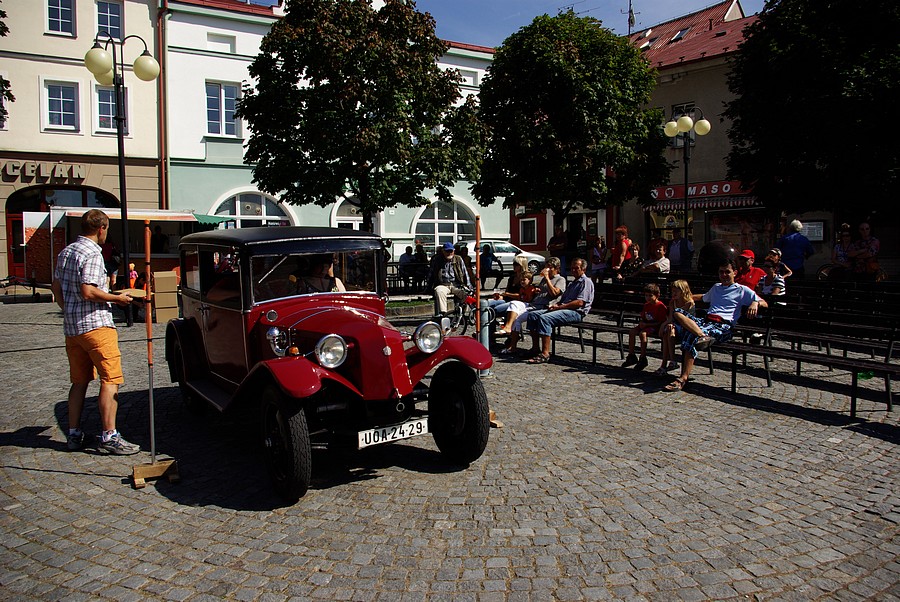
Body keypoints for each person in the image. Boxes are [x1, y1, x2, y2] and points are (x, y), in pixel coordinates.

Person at [49, 209, 140, 455]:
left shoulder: (66, 251)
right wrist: (117, 298)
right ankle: (110, 436)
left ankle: (74, 433)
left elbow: (56, 286)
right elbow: (88, 291)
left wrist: (67, 308)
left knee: (79, 382)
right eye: (106, 229)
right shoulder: (92, 253)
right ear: (101, 228)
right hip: (96, 325)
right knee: (110, 379)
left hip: (73, 328)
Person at [664, 259, 767, 391]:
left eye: (727, 272)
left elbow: (764, 302)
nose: (724, 275)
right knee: (678, 312)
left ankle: (683, 378)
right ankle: (701, 335)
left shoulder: (742, 290)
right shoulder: (716, 287)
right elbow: (703, 297)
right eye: (721, 272)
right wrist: (684, 297)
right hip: (706, 322)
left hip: (722, 326)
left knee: (690, 335)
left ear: (735, 273)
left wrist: (755, 303)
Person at [523, 258, 595, 364]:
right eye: (572, 268)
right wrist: (556, 305)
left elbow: (580, 303)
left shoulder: (585, 282)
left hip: (576, 312)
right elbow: (562, 299)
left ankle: (545, 353)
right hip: (564, 308)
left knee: (545, 318)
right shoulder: (573, 283)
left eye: (576, 268)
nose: (573, 270)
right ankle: (535, 348)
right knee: (532, 315)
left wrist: (561, 307)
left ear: (583, 269)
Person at [499, 257, 565, 356]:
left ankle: (531, 347)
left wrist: (547, 278)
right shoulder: (544, 279)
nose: (547, 269)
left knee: (528, 316)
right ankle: (511, 341)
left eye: (550, 267)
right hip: (534, 304)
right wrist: (536, 291)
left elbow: (554, 293)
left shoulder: (560, 279)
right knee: (514, 306)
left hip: (545, 307)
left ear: (556, 268)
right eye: (546, 267)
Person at [622, 283, 668, 371]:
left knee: (643, 334)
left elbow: (661, 322)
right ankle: (631, 355)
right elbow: (644, 316)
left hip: (655, 326)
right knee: (632, 332)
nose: (648, 298)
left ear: (657, 295)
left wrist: (647, 325)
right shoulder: (647, 305)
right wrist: (642, 322)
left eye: (650, 296)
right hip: (646, 324)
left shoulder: (660, 306)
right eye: (646, 295)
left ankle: (643, 357)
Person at [655, 280, 695, 375]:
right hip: (674, 327)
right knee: (668, 331)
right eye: (672, 291)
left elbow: (684, 319)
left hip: (687, 327)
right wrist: (663, 325)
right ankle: (669, 362)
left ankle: (668, 363)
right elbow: (670, 318)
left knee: (669, 330)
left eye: (676, 291)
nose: (673, 293)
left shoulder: (689, 303)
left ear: (683, 291)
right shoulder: (673, 302)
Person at [428, 242, 471, 316]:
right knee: (439, 291)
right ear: (443, 251)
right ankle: (443, 314)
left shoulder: (458, 259)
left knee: (465, 294)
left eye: (451, 251)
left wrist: (469, 287)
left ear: (454, 251)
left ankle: (461, 314)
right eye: (447, 251)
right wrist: (428, 288)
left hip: (456, 285)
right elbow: (431, 274)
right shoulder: (437, 259)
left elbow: (465, 274)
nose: (449, 253)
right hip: (443, 284)